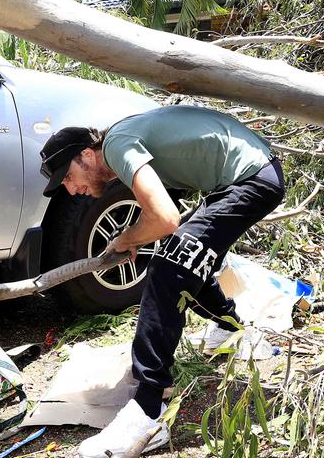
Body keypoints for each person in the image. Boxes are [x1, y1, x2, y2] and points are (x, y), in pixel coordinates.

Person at [39, 104, 285, 457]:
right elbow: (163, 211)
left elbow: (166, 218)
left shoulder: (117, 145)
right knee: (182, 256)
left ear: (87, 154)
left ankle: (149, 410)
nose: (71, 189)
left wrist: (129, 238)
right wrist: (134, 235)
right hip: (244, 178)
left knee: (168, 268)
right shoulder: (122, 146)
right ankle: (230, 327)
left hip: (250, 177)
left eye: (68, 176)